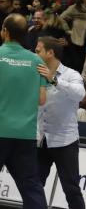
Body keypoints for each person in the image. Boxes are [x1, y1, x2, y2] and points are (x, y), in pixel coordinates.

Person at [0, 13, 48, 208]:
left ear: (5, 32)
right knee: (31, 186)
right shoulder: (37, 61)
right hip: (25, 134)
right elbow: (41, 99)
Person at [35, 36, 86, 209]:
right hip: (41, 139)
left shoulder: (71, 74)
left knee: (71, 189)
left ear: (50, 53)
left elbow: (80, 94)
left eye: (38, 50)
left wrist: (54, 79)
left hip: (65, 141)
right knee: (34, 186)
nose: (35, 53)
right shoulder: (35, 73)